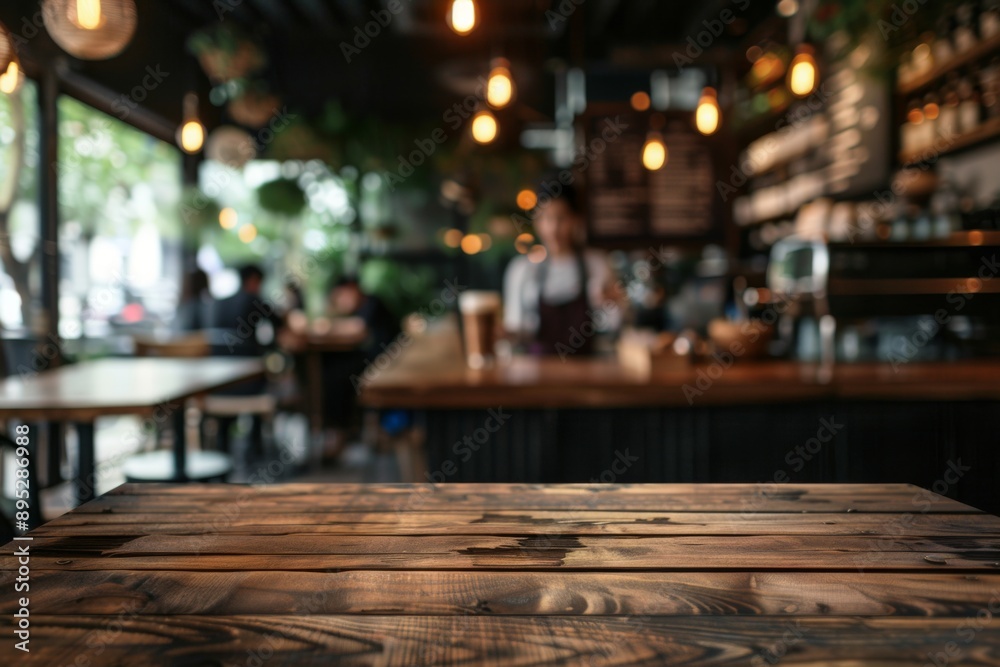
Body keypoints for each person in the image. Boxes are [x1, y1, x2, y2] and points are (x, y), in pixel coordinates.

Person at [503, 182, 622, 355]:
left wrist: (613, 303)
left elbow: (614, 328)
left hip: (589, 371)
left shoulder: (597, 264)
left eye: (561, 218)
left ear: (576, 219)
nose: (553, 228)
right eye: (545, 217)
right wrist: (504, 335)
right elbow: (515, 331)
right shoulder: (521, 270)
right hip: (537, 374)